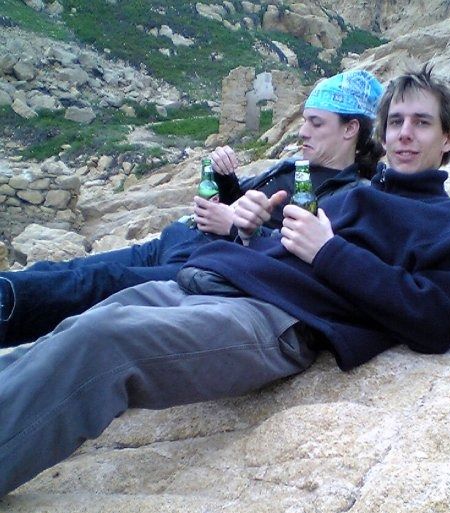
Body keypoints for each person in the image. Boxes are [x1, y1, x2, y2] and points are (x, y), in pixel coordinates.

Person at [0, 65, 450, 498]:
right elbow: (286, 245)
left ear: (448, 138)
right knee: (71, 329)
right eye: (396, 122)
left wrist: (329, 251)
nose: (405, 134)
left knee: (104, 342)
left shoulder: (448, 221)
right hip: (220, 279)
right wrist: (246, 230)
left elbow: (436, 321)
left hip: (275, 318)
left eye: (422, 123)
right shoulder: (355, 195)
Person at [0, 69, 384, 346]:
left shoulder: (346, 194)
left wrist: (232, 225)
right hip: (182, 239)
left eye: (316, 123)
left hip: (206, 266)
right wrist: (227, 180)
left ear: (350, 129)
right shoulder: (300, 166)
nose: (302, 131)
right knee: (71, 269)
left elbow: (296, 260)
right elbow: (249, 207)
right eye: (304, 121)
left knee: (94, 284)